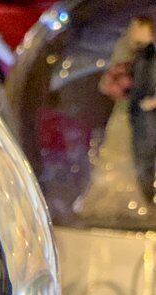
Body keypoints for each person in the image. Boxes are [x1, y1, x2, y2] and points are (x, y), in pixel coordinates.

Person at [75, 16, 156, 225]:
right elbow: (108, 85)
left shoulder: (148, 56)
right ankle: (115, 203)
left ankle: (141, 200)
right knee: (117, 151)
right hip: (125, 114)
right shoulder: (129, 54)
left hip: (141, 116)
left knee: (139, 156)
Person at [129, 17, 156, 202]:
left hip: (149, 114)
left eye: (136, 27)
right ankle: (148, 198)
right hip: (141, 113)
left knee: (147, 155)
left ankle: (150, 197)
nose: (132, 31)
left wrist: (152, 101)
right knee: (143, 156)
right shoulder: (142, 54)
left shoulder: (150, 55)